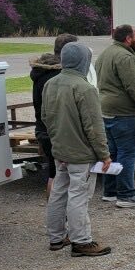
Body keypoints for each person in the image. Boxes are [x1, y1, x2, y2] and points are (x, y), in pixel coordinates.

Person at [41, 42, 113, 257]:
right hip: (80, 153)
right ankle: (81, 241)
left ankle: (56, 237)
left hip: (60, 148)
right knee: (78, 195)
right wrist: (104, 154)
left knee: (59, 192)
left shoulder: (50, 84)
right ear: (84, 61)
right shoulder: (84, 88)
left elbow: (45, 117)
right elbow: (94, 126)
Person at [94, 24, 135, 208]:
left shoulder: (106, 54)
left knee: (113, 152)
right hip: (126, 113)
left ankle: (111, 191)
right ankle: (127, 195)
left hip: (107, 112)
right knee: (128, 153)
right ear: (128, 39)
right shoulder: (126, 57)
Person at [30, 33, 79, 197]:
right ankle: (60, 215)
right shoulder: (58, 76)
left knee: (53, 173)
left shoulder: (40, 73)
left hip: (43, 128)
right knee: (63, 177)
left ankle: (55, 214)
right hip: (58, 131)